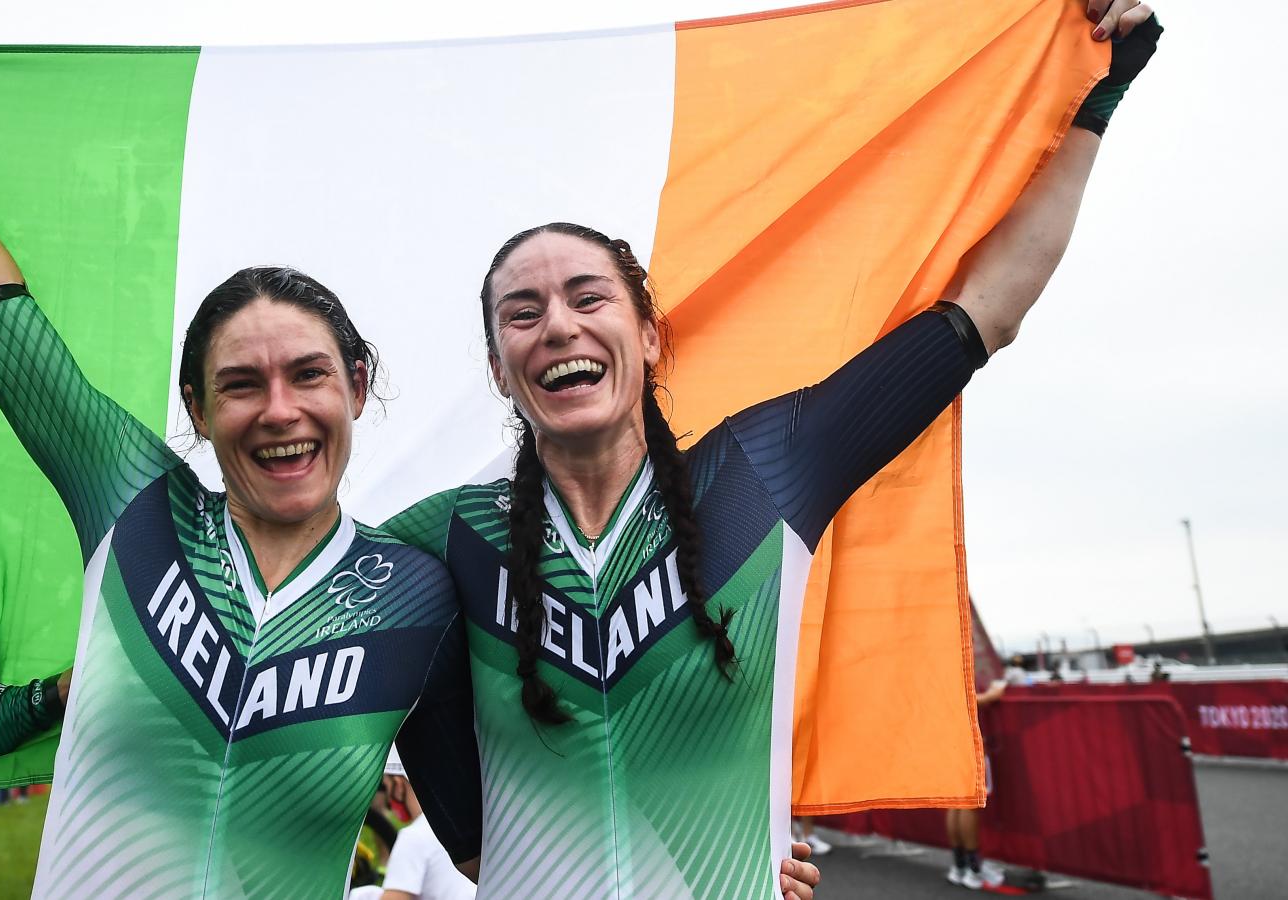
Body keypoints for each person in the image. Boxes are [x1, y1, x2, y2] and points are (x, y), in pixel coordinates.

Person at [383, 4, 1162, 899]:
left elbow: (987, 310)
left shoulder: (765, 468)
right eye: (522, 313)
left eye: (588, 297)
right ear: (498, 367)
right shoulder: (438, 539)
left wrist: (1096, 99)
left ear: (647, 332)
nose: (557, 323)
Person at [0, 70, 473, 897]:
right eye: (242, 384)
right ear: (197, 405)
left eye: (309, 375)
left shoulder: (420, 594)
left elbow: (490, 840)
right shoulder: (135, 502)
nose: (279, 410)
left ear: (357, 388)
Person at [380, 751, 477, 900]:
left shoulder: (413, 836)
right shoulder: (461, 826)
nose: (388, 802)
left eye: (386, 787)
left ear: (399, 785)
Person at [946, 678, 1008, 890]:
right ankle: (974, 870)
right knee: (967, 806)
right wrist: (991, 694)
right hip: (965, 744)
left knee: (955, 805)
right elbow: (960, 701)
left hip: (947, 742)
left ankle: (960, 867)